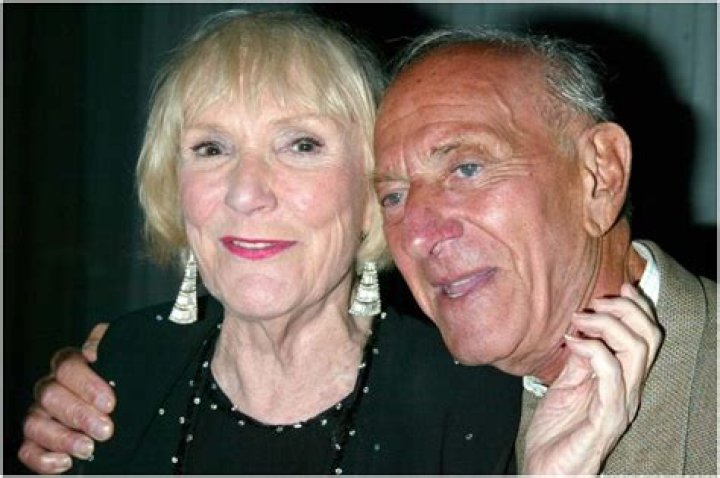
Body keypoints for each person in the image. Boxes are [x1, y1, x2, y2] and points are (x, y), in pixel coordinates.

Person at [18, 17, 660, 475]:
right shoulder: (116, 372)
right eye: (210, 148)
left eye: (301, 145)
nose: (246, 193)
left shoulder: (475, 398)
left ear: (371, 193)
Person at [372, 28, 715, 474]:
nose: (417, 235)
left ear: (601, 176)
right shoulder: (433, 421)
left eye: (467, 169)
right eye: (393, 197)